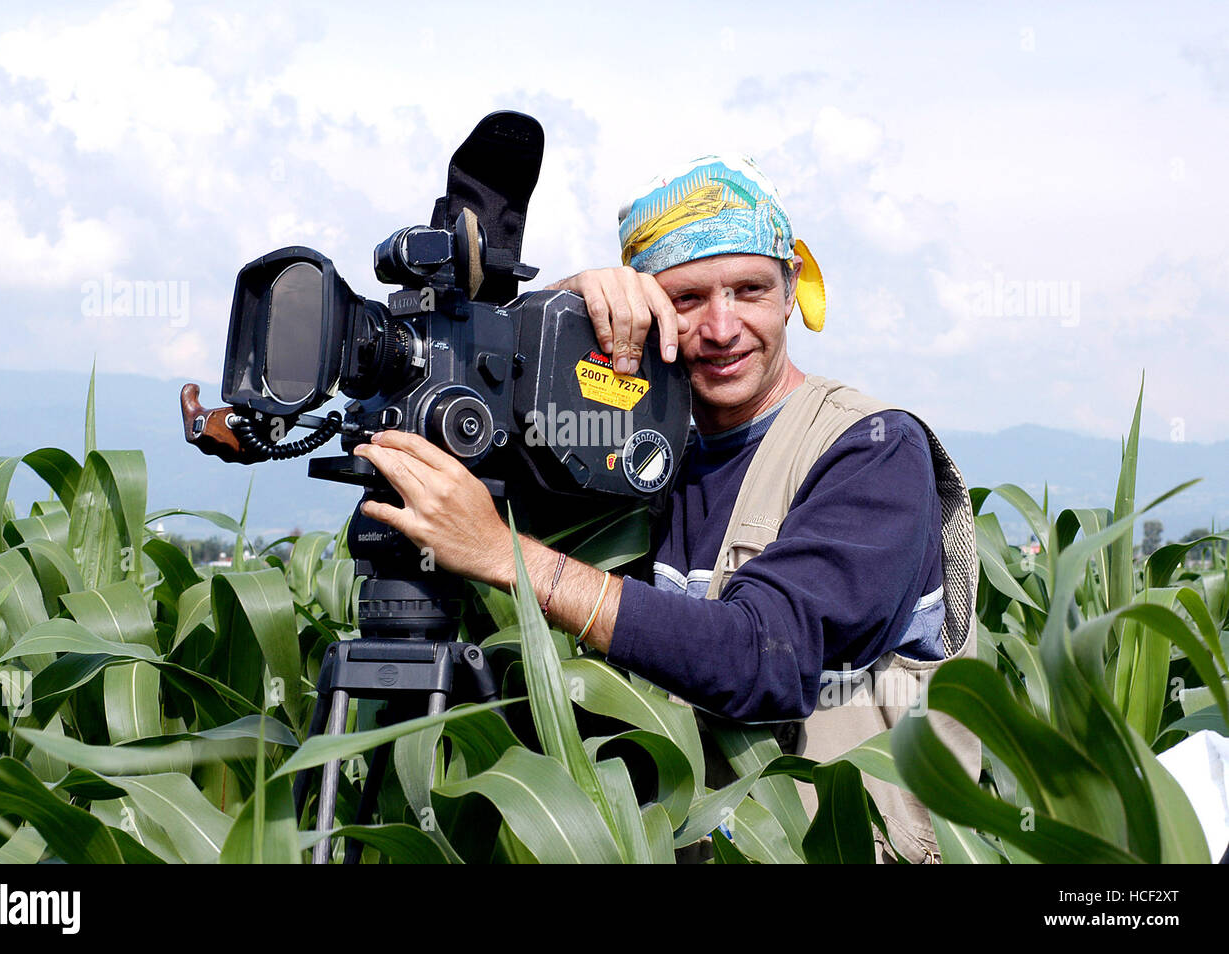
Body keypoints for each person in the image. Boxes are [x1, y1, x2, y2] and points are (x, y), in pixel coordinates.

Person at [353, 154, 980, 863]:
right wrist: (561, 305)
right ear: (643, 315)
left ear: (790, 291)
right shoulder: (638, 459)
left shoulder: (870, 449)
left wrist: (505, 556)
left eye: (748, 290)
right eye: (685, 299)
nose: (721, 327)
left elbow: (762, 656)